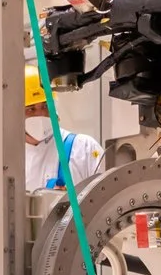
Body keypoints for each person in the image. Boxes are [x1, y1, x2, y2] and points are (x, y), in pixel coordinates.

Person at [23, 65, 104, 193]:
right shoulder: (8, 162)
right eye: (31, 109)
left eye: (45, 106)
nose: (41, 114)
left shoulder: (84, 149)